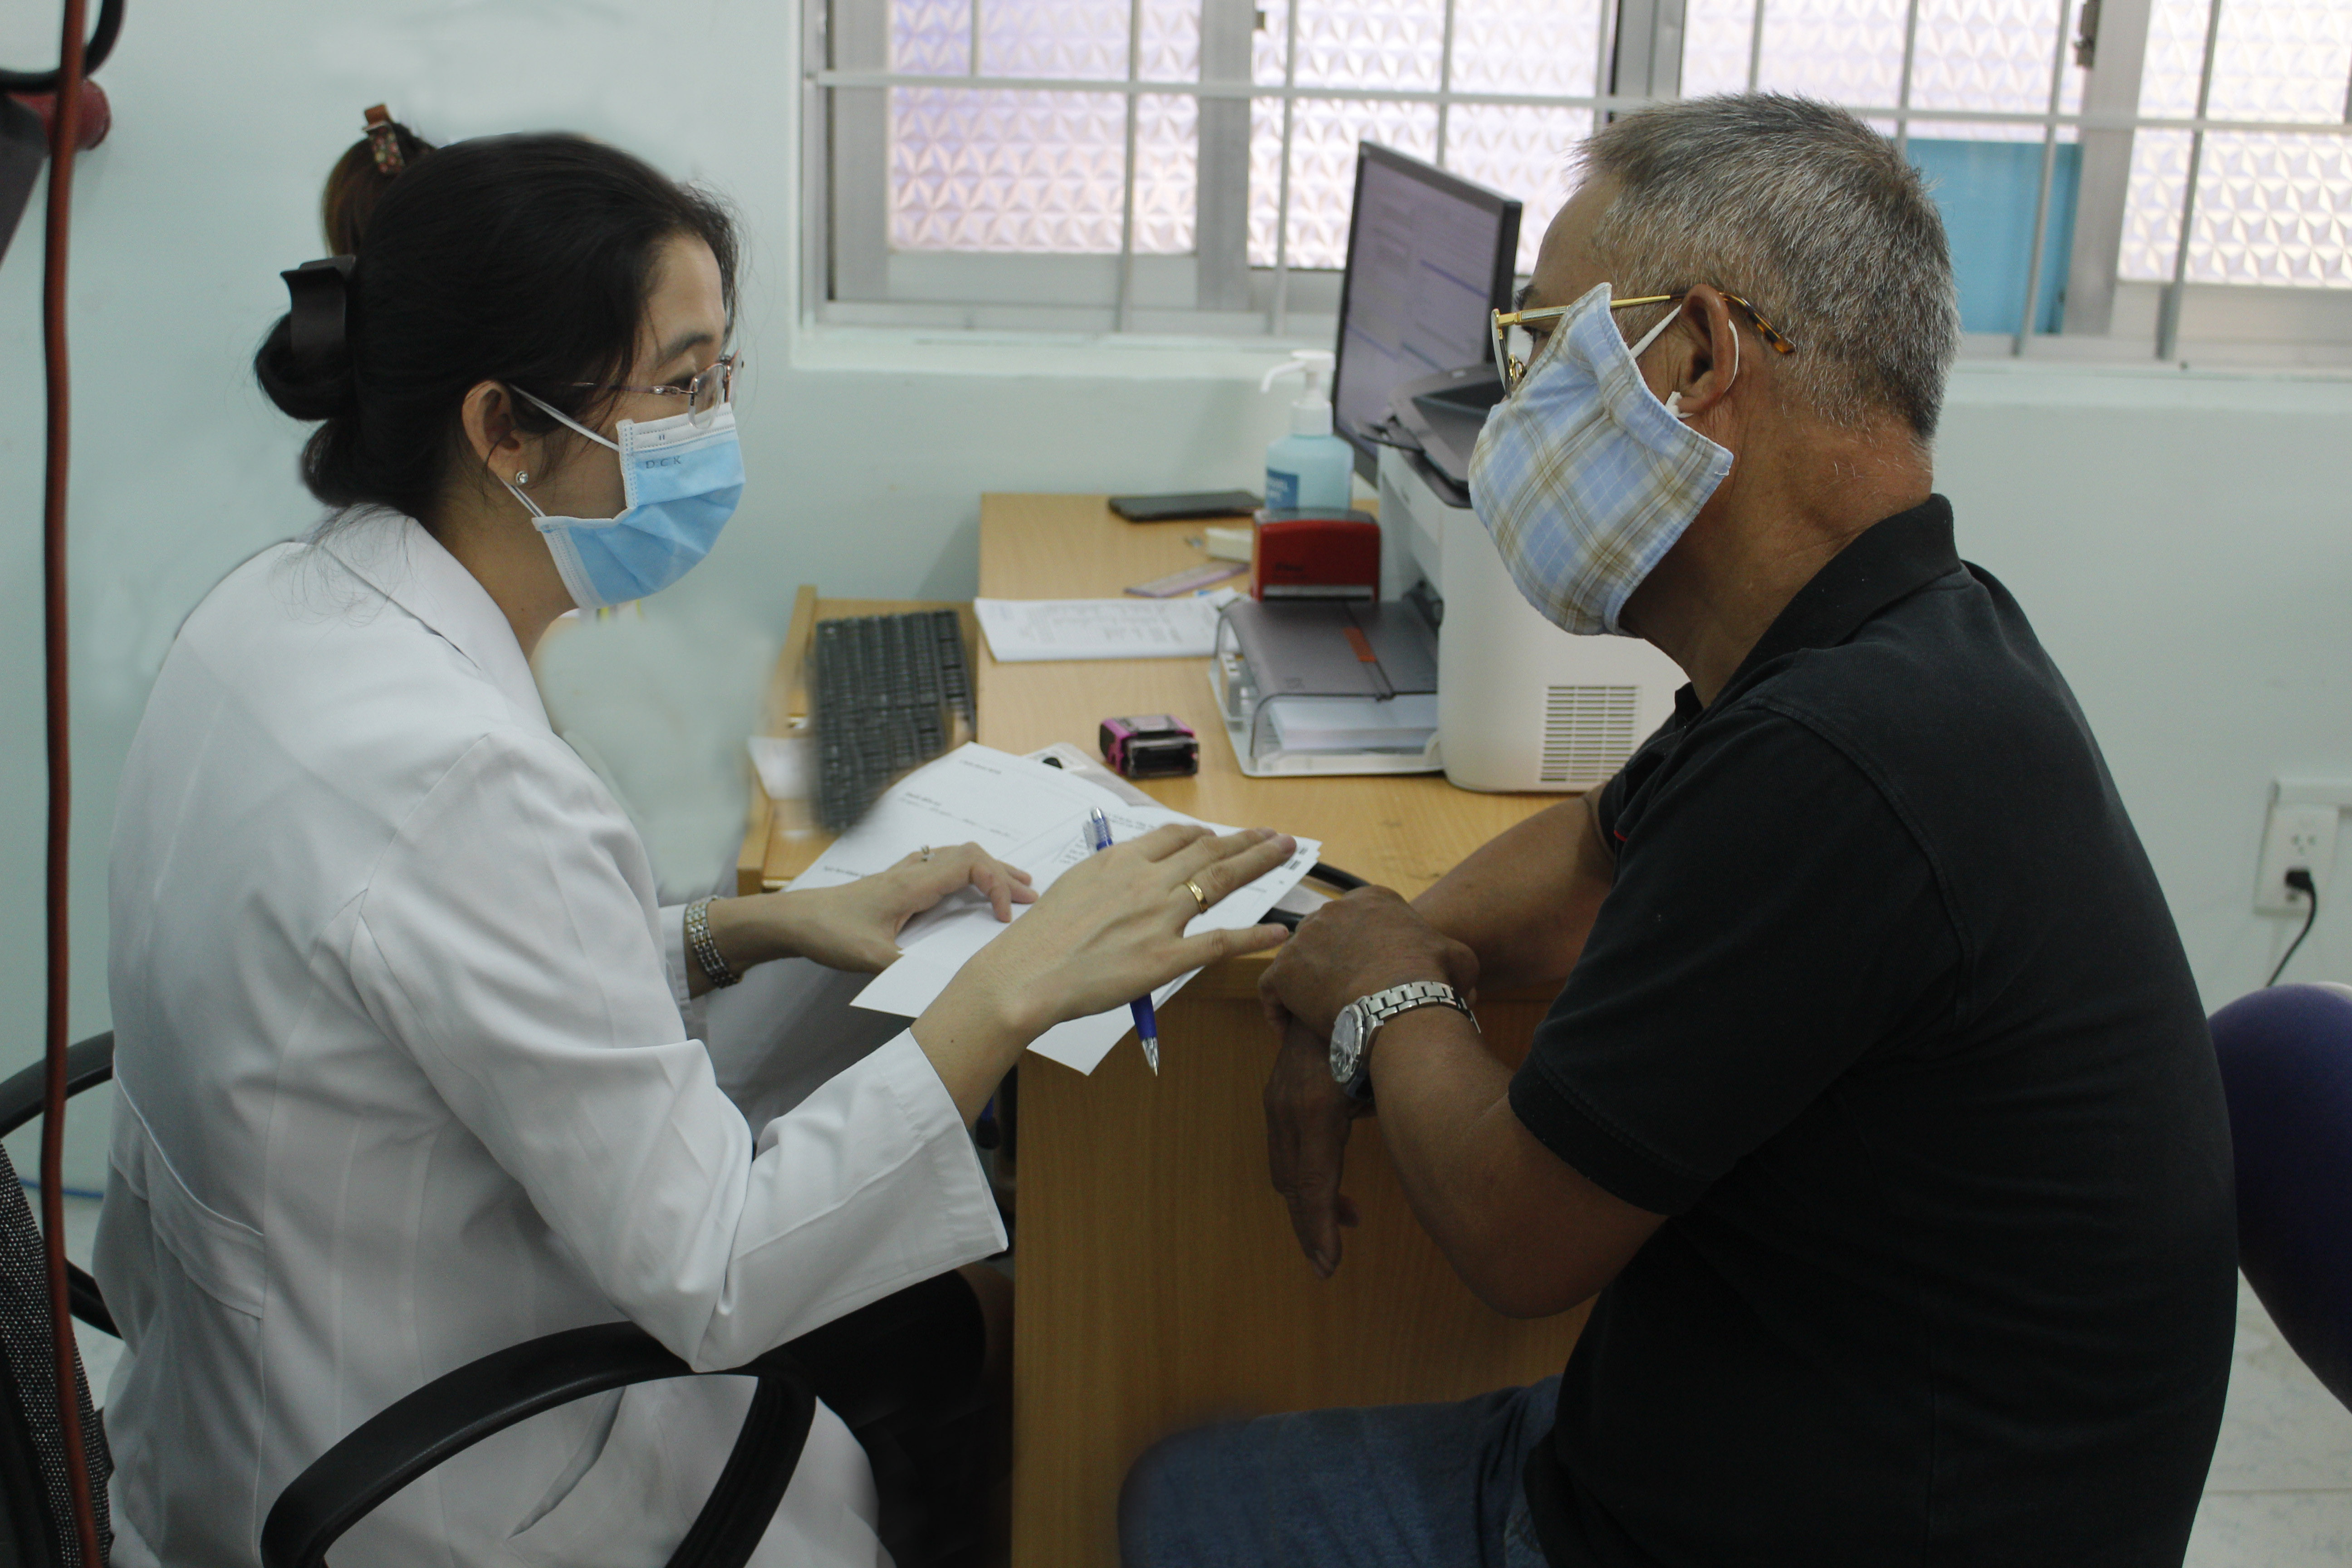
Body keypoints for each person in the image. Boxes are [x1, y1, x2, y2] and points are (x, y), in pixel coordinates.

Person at [94, 130, 1295, 1568]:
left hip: (249, 1395)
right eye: (679, 387)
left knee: (944, 1262)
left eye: (722, 378)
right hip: (431, 1483)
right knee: (992, 1320)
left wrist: (744, 931)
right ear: (504, 429)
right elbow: (715, 1272)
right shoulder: (463, 772)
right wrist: (1007, 993)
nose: (714, 429)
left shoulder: (273, 615)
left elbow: (418, 971)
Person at [1122, 94, 2237, 1568]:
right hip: (1752, 1437)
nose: (1510, 410)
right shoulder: (1902, 639)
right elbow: (1599, 850)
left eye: (1541, 351)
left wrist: (1378, 990)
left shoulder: (1843, 760)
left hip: (1819, 1525)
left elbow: (1517, 1233)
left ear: (1703, 356)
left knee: (1174, 1509)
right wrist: (1398, 941)